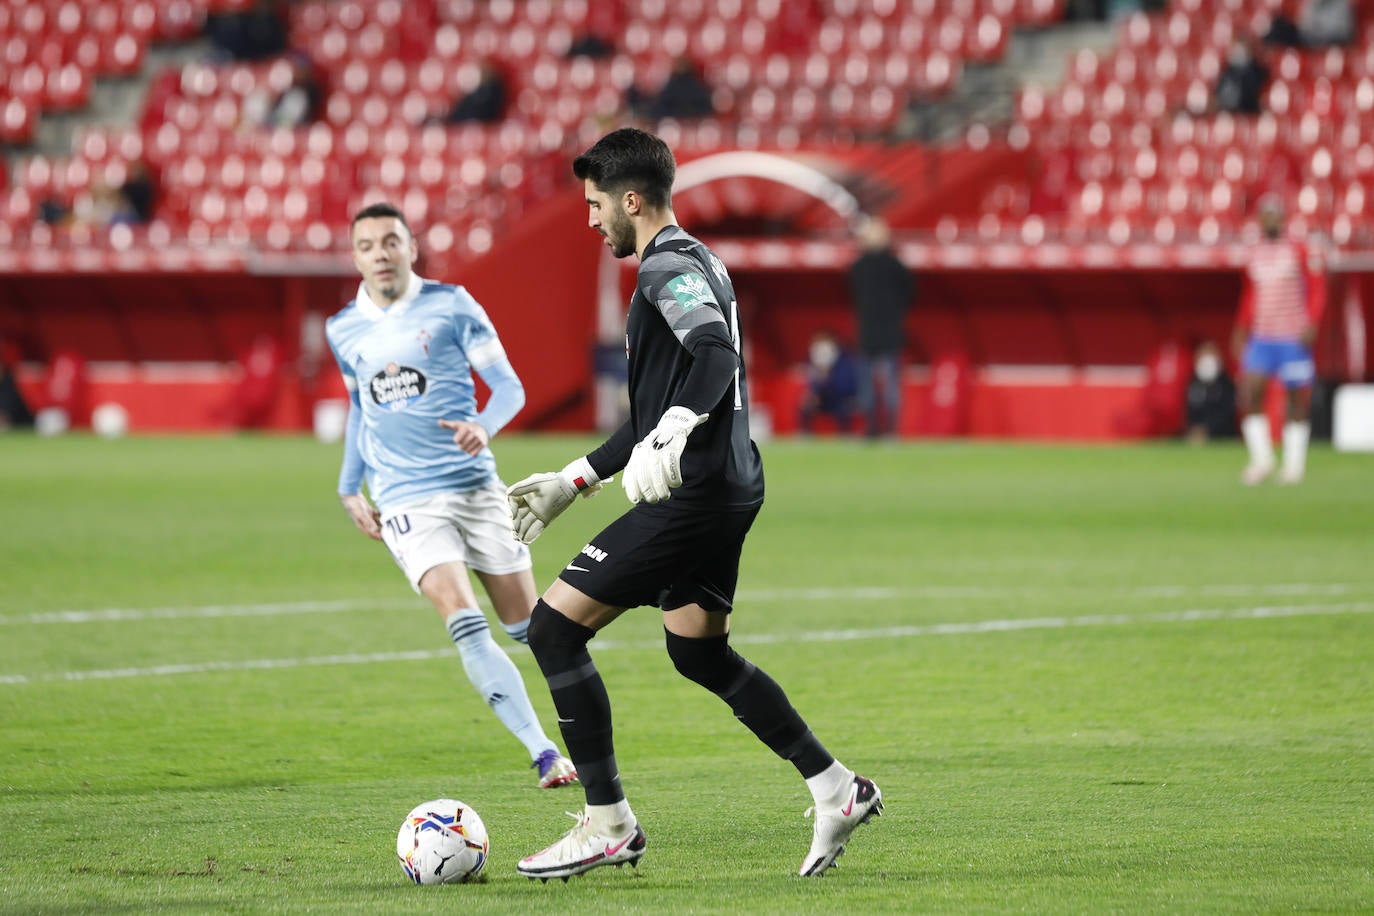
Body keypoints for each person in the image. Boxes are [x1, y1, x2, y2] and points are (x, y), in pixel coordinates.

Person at [505, 128, 883, 882]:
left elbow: (714, 354)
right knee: (697, 650)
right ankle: (836, 786)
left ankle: (608, 824)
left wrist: (680, 425)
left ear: (631, 200)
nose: (590, 220)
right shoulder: (699, 256)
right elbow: (655, 407)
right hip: (731, 483)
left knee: (552, 631)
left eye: (595, 205)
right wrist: (573, 480)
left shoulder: (664, 269)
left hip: (696, 494)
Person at [325, 202, 577, 789]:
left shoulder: (452, 306)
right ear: (355, 257)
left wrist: (483, 426)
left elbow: (509, 387)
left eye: (391, 241)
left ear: (412, 246)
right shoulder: (344, 329)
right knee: (464, 622)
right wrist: (348, 486)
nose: (380, 253)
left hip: (474, 488)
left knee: (532, 630)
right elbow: (361, 409)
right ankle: (543, 752)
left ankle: (582, 732)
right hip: (405, 498)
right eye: (367, 245)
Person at [1231, 196, 1327, 484]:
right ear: (1260, 220)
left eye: (1275, 214)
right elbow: (1250, 295)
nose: (1271, 220)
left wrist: (1311, 322)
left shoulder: (1298, 249)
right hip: (1262, 336)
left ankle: (1293, 465)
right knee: (1251, 391)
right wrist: (1241, 328)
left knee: (1296, 399)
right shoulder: (1254, 254)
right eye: (1266, 215)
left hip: (1292, 336)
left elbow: (1317, 288)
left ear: (1282, 218)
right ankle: (1262, 459)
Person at [847, 216, 914, 438]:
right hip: (891, 333)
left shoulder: (858, 267)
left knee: (868, 387)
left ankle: (871, 430)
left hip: (867, 333)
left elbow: (851, 294)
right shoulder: (897, 266)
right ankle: (891, 432)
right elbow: (909, 295)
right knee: (890, 387)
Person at [798, 329, 859, 434]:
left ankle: (844, 435)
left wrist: (829, 378)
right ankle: (804, 434)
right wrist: (816, 391)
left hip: (839, 398)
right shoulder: (814, 362)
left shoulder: (845, 360)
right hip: (822, 399)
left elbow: (847, 386)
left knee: (844, 408)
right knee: (806, 403)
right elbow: (813, 385)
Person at [1184, 340, 1238, 444]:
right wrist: (1193, 430)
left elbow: (1227, 413)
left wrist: (1207, 431)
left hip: (1223, 438)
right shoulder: (1193, 384)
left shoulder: (1226, 384)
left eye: (1210, 354)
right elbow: (1189, 412)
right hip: (1196, 439)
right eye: (1203, 355)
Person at [1213, 38, 1269, 115]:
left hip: (1247, 113)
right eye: (1236, 50)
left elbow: (1251, 94)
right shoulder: (1226, 71)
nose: (1238, 53)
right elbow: (1217, 93)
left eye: (1241, 50)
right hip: (1227, 112)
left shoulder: (1256, 71)